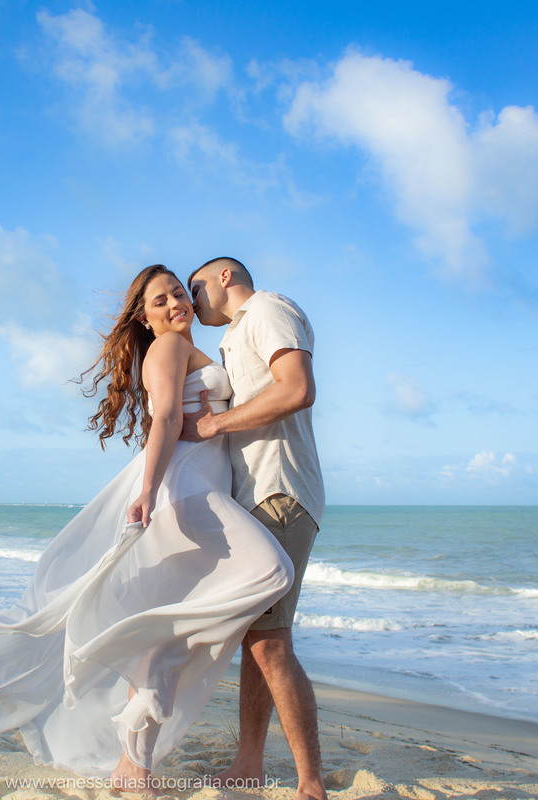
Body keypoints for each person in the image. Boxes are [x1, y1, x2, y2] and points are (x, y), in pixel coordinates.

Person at [0, 265, 292, 793]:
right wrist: (148, 492)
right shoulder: (169, 348)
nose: (175, 304)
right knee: (273, 571)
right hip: (191, 493)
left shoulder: (188, 349)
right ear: (145, 320)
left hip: (195, 489)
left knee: (168, 637)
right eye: (160, 301)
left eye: (178, 293)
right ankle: (140, 649)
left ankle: (134, 767)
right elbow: (167, 418)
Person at [182, 256, 328, 800]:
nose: (192, 301)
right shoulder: (237, 334)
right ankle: (248, 763)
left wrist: (215, 423)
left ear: (225, 278)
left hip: (280, 491)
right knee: (257, 638)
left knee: (269, 640)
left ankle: (310, 784)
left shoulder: (266, 308)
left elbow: (296, 389)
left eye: (194, 286)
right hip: (258, 496)